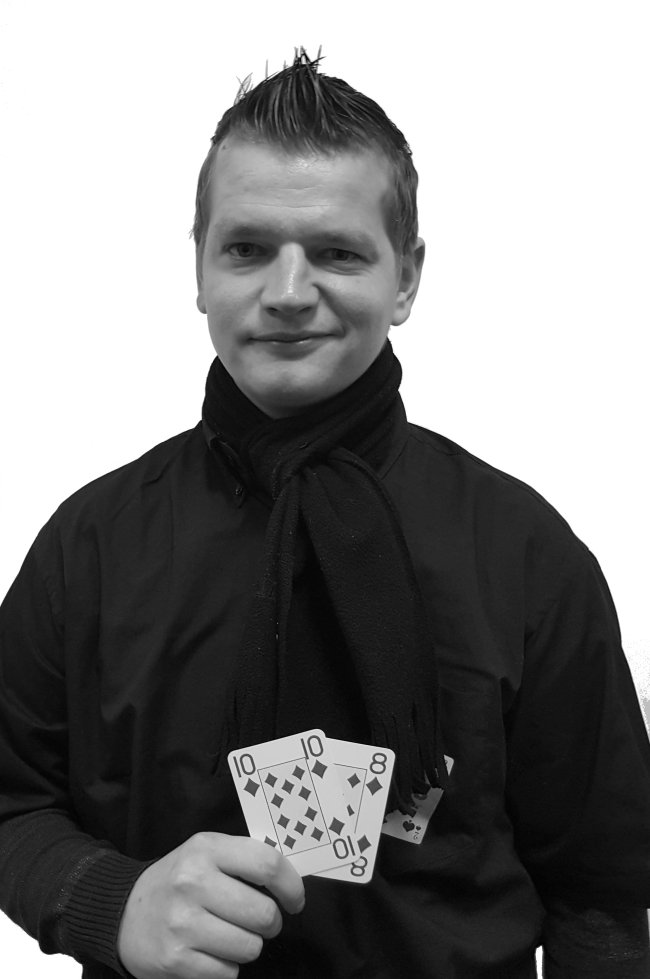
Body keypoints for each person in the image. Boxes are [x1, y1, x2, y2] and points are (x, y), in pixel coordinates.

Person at [0, 48, 649, 979]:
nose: (288, 292)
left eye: (338, 252)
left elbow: (601, 896)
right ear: (199, 268)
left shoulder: (525, 554)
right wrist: (110, 899)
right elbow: (11, 799)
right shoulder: (89, 546)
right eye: (247, 248)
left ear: (407, 277)